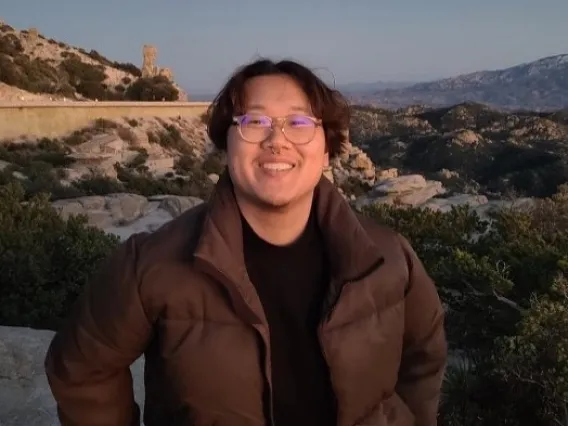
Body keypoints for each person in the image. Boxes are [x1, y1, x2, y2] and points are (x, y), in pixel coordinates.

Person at [44, 58, 448, 426]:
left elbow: (424, 361)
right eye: (254, 122)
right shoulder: (151, 264)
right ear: (227, 143)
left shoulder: (390, 259)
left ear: (327, 149)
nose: (277, 140)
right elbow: (82, 368)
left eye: (300, 123)